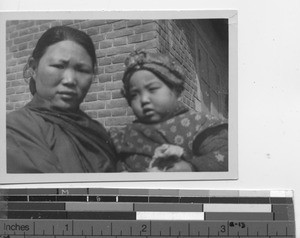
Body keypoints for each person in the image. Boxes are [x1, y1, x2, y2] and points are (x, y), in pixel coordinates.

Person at [7, 26, 116, 173]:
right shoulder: (15, 128)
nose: (70, 80)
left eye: (82, 70)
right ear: (34, 68)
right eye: (59, 66)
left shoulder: (96, 131)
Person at [110, 50, 228, 172]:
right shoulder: (123, 136)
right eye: (134, 94)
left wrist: (190, 167)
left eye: (153, 89)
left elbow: (227, 154)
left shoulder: (197, 124)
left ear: (175, 89)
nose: (144, 99)